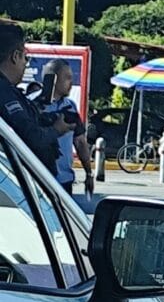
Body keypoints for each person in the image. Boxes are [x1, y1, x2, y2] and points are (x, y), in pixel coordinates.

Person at [0, 25, 73, 180]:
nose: (26, 63)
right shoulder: (5, 94)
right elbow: (31, 138)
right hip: (17, 182)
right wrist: (56, 129)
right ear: (15, 56)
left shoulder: (9, 91)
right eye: (26, 58)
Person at [41, 59, 94, 197]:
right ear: (53, 79)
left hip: (64, 182)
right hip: (38, 178)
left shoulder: (70, 107)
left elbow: (80, 142)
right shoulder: (34, 106)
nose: (71, 83)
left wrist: (89, 173)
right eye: (67, 78)